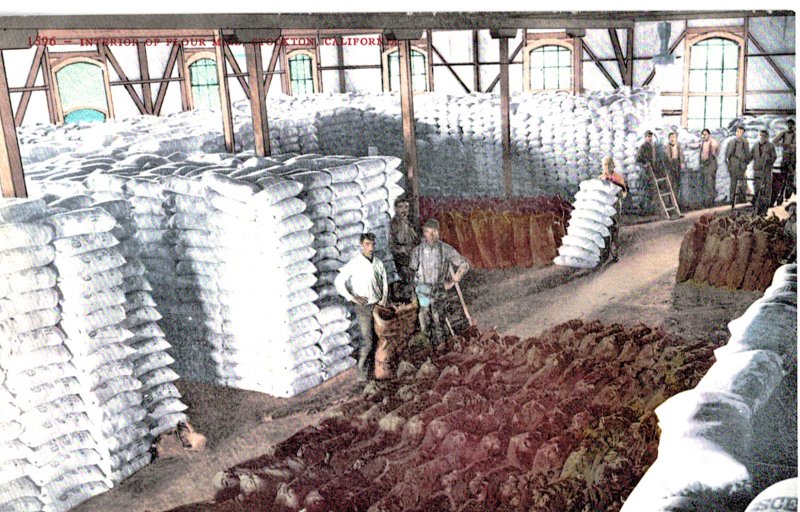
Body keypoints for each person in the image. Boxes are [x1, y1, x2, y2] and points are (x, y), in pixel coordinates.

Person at [334, 233, 388, 381]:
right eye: (367, 244)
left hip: (377, 306)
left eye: (372, 244)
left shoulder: (378, 263)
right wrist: (352, 297)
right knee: (367, 342)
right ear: (361, 245)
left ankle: (377, 372)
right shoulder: (355, 263)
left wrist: (382, 302)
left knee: (380, 340)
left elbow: (384, 284)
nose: (370, 248)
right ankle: (362, 376)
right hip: (363, 308)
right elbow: (339, 281)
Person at [409, 219, 469, 347]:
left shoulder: (445, 249)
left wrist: (454, 279)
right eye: (427, 232)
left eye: (434, 232)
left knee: (438, 322)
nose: (430, 235)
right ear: (423, 233)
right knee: (424, 321)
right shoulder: (417, 251)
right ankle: (428, 351)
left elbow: (464, 264)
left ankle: (441, 350)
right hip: (423, 290)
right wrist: (415, 290)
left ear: (438, 232)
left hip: (439, 290)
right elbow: (412, 270)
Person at [598, 156, 628, 262]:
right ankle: (605, 254)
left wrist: (620, 195)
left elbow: (624, 191)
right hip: (605, 209)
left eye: (608, 164)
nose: (606, 167)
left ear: (613, 165)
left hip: (615, 207)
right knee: (605, 231)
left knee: (614, 230)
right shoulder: (600, 178)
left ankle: (615, 253)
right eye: (604, 165)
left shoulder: (618, 178)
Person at [389, 197, 419, 300]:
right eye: (400, 207)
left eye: (406, 207)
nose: (404, 210)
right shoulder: (394, 225)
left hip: (411, 257)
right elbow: (391, 245)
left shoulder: (408, 224)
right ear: (395, 209)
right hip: (401, 260)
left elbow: (415, 240)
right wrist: (405, 249)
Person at [751, 129, 778, 215]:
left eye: (764, 136)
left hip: (766, 172)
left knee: (766, 191)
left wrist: (769, 160)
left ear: (767, 137)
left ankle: (764, 210)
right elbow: (750, 156)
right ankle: (757, 209)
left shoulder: (770, 146)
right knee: (757, 190)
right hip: (757, 171)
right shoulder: (755, 146)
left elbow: (774, 157)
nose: (762, 137)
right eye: (761, 135)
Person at [726, 125, 751, 208]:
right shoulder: (732, 142)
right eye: (737, 132)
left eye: (741, 132)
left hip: (742, 163)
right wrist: (729, 165)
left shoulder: (745, 142)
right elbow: (728, 155)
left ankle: (742, 198)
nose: (739, 134)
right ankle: (732, 199)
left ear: (743, 133)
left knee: (743, 181)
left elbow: (748, 154)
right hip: (734, 163)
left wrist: (745, 163)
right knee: (733, 182)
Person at [773, 118, 796, 203]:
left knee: (790, 178)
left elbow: (795, 146)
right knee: (783, 178)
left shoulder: (796, 135)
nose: (790, 126)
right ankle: (780, 197)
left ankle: (787, 195)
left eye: (791, 125)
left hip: (793, 159)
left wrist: (789, 145)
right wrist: (782, 145)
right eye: (788, 125)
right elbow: (774, 141)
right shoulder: (783, 133)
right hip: (785, 158)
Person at [636, 130, 659, 211]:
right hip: (645, 171)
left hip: (651, 171)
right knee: (644, 190)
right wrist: (645, 163)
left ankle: (648, 208)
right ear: (645, 137)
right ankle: (642, 209)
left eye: (650, 137)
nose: (650, 138)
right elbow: (638, 159)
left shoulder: (652, 147)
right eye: (648, 137)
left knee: (650, 190)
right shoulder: (643, 147)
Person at [699, 128, 720, 208]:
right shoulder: (702, 143)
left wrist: (708, 162)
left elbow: (713, 154)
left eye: (705, 134)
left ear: (709, 134)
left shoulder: (713, 143)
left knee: (710, 182)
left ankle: (711, 200)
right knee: (705, 183)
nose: (704, 136)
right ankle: (706, 200)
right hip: (704, 165)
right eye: (703, 134)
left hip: (710, 164)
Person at [665, 132, 686, 202]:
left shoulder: (678, 146)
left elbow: (682, 156)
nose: (672, 139)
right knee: (670, 183)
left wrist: (682, 162)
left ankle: (676, 200)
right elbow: (666, 158)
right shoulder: (667, 147)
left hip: (677, 165)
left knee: (677, 183)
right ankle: (670, 201)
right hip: (670, 166)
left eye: (674, 137)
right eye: (671, 138)